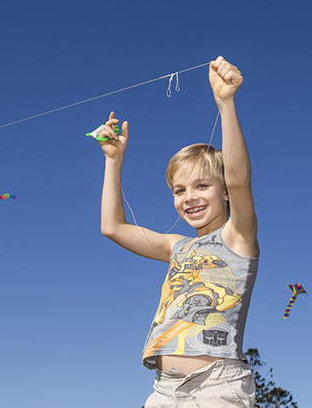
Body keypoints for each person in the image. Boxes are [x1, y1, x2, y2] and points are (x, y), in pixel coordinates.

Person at [96, 56, 259, 407]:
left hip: (218, 387)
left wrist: (225, 104)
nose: (190, 198)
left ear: (225, 192)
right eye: (179, 190)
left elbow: (239, 178)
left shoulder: (238, 237)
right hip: (165, 390)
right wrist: (113, 161)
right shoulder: (177, 246)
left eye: (202, 185)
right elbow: (112, 227)